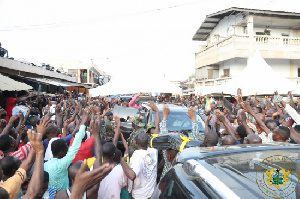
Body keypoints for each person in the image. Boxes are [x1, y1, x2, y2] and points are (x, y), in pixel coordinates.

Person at [44, 108, 89, 191]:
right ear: (61, 152)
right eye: (66, 148)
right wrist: (83, 123)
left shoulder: (45, 165)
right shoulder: (62, 164)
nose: (68, 149)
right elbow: (76, 143)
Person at [120, 133, 158, 199]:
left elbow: (132, 175)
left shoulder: (136, 158)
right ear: (148, 142)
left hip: (140, 195)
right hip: (152, 193)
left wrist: (122, 161)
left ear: (136, 142)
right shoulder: (154, 152)